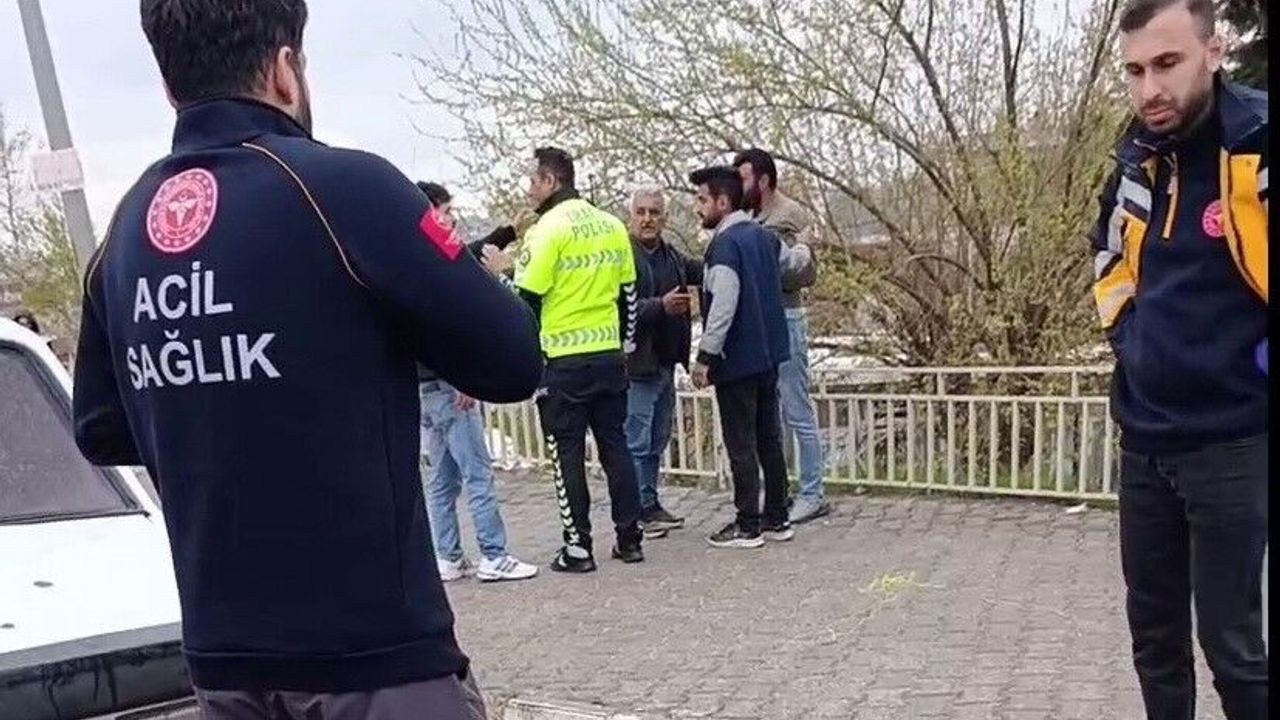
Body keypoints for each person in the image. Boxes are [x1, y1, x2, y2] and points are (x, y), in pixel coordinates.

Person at [72, 2, 544, 718]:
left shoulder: (127, 228)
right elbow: (512, 358)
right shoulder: (346, 188)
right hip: (372, 660)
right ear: (285, 70)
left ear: (169, 84)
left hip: (225, 663)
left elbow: (102, 429)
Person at [1090, 1, 1268, 718]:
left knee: (1235, 651)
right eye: (1135, 71)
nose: (1150, 89)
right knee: (1154, 640)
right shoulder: (1136, 155)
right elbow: (1107, 257)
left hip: (1233, 439)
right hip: (1146, 436)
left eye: (1167, 64)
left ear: (1213, 52)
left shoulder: (1257, 141)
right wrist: (1132, 342)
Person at [513, 146, 646, 572]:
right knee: (616, 447)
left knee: (566, 454)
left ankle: (578, 548)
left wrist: (528, 360)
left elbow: (525, 301)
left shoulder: (546, 230)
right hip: (608, 357)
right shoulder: (611, 225)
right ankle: (630, 539)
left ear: (551, 180)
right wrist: (625, 348)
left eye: (533, 181)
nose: (530, 189)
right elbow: (629, 297)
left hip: (562, 362)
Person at [414, 181, 539, 583]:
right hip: (450, 388)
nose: (452, 219)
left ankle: (448, 556)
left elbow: (470, 252)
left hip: (425, 388)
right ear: (431, 212)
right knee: (478, 473)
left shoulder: (411, 260)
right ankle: (494, 554)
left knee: (442, 479)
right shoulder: (438, 269)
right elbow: (449, 328)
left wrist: (507, 231)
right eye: (446, 210)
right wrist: (463, 377)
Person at [687, 166, 793, 549]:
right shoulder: (764, 237)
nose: (698, 207)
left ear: (722, 201)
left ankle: (748, 524)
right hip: (769, 355)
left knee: (741, 443)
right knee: (769, 438)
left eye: (702, 199)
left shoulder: (725, 246)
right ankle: (777, 517)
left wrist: (705, 357)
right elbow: (792, 262)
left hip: (737, 359)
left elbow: (723, 304)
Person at [732, 149, 830, 525]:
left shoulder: (790, 215)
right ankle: (779, 491)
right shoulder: (749, 217)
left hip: (786, 317)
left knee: (796, 408)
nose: (738, 185)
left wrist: (772, 260)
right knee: (769, 414)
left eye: (743, 178)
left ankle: (812, 493)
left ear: (763, 180)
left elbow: (805, 274)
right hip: (760, 321)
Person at [624, 186, 703, 537]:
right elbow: (616, 308)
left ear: (664, 218)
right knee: (635, 441)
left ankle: (649, 502)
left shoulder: (672, 257)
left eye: (654, 212)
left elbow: (706, 268)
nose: (647, 219)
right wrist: (660, 306)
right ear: (631, 216)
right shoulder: (622, 256)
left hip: (664, 363)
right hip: (635, 365)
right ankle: (634, 512)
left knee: (657, 439)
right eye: (641, 212)